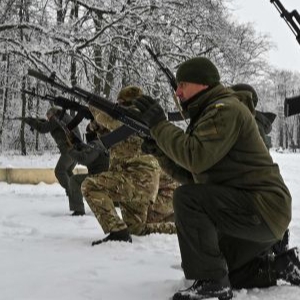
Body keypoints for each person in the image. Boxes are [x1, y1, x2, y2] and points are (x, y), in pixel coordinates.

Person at [132, 57, 299, 300]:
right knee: (227, 269)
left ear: (202, 84)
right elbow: (194, 176)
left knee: (187, 200)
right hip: (260, 213)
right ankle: (279, 266)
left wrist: (160, 126)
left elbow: (194, 157)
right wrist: (161, 152)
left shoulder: (225, 110)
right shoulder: (211, 113)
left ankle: (212, 283)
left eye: (183, 85)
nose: (177, 92)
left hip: (262, 209)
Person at [81, 86, 177, 246]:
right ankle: (179, 229)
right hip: (135, 180)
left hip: (138, 179)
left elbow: (111, 121)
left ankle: (117, 232)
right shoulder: (128, 124)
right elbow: (116, 139)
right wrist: (97, 128)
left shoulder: (136, 118)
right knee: (136, 229)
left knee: (89, 185)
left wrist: (93, 105)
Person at [23, 107, 82, 215]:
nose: (48, 119)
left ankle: (73, 193)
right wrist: (40, 121)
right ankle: (78, 205)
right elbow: (49, 125)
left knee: (60, 171)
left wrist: (29, 121)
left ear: (53, 114)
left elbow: (43, 128)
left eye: (48, 117)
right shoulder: (64, 117)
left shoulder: (57, 118)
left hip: (70, 151)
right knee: (68, 173)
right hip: (76, 151)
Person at [67, 123, 110, 216]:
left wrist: (70, 150)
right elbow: (89, 149)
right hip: (107, 177)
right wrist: (77, 142)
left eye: (88, 132)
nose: (87, 134)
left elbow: (85, 159)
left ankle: (78, 209)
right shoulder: (102, 142)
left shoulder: (96, 144)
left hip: (100, 177)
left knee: (74, 180)